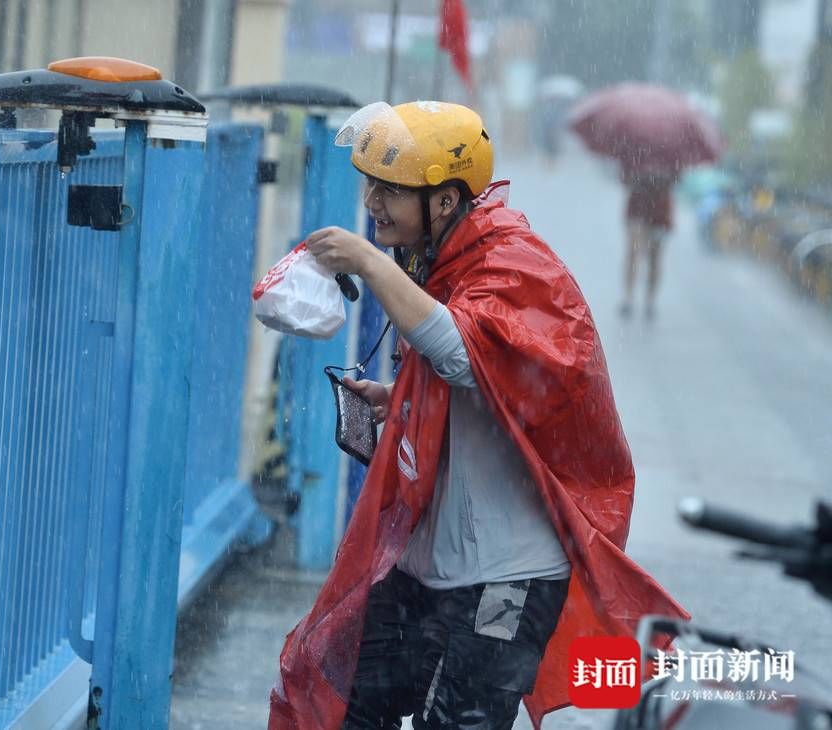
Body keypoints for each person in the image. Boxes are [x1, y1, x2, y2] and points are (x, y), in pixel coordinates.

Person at [269, 101, 688, 730]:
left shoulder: (515, 264)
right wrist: (402, 399)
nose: (372, 201)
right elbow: (470, 380)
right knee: (345, 705)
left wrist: (367, 261)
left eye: (390, 189)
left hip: (508, 577)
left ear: (444, 200)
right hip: (427, 564)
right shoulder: (436, 259)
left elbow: (466, 354)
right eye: (370, 186)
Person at [620, 167, 675, 320]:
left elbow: (676, 179)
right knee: (634, 253)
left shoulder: (670, 151)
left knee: (654, 258)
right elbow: (624, 177)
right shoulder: (636, 149)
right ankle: (629, 297)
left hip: (659, 211)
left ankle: (648, 300)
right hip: (640, 207)